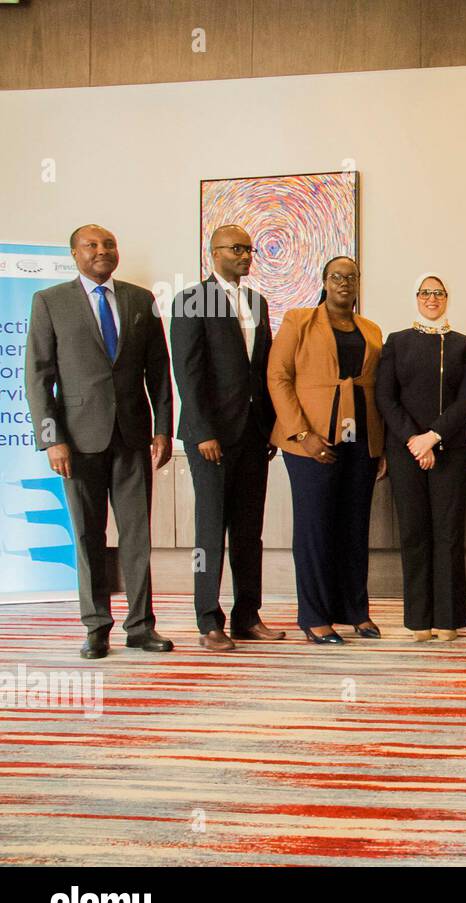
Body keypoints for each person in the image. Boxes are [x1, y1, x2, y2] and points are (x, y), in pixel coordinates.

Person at [25, 224, 174, 659]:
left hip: (132, 438)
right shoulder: (50, 302)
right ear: (74, 254)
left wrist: (162, 429)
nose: (102, 250)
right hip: (77, 442)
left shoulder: (139, 299)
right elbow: (38, 378)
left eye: (109, 244)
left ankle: (141, 627)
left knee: (137, 536)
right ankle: (97, 627)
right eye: (91, 245)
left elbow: (159, 373)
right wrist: (52, 440)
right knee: (90, 535)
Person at [170, 225, 285, 651]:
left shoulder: (257, 302)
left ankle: (247, 617)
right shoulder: (190, 300)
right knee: (210, 529)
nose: (245, 256)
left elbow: (265, 370)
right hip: (211, 438)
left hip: (254, 435)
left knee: (248, 532)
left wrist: (272, 425)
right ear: (213, 252)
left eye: (249, 250)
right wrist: (201, 431)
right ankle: (208, 621)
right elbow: (188, 371)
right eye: (236, 249)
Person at [268, 255, 386, 645]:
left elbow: (376, 389)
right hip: (311, 441)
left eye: (351, 276)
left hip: (361, 441)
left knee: (354, 527)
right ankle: (315, 616)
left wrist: (379, 445)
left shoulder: (370, 329)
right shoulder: (298, 321)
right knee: (316, 527)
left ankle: (355, 610)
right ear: (324, 281)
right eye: (337, 276)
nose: (344, 283)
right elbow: (278, 376)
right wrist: (302, 434)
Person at [376, 274, 466, 642]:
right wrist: (414, 441)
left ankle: (447, 619)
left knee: (448, 534)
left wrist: (433, 438)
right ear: (416, 297)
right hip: (405, 451)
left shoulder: (463, 344)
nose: (432, 298)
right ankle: (419, 620)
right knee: (415, 534)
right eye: (425, 292)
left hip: (451, 450)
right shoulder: (397, 342)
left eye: (438, 293)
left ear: (447, 298)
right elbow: (386, 398)